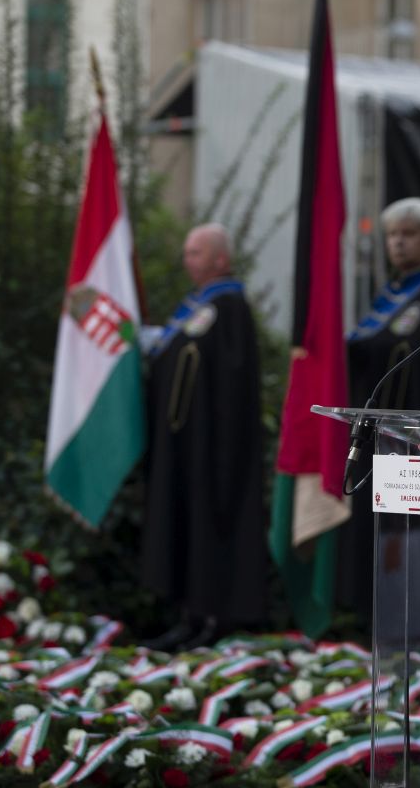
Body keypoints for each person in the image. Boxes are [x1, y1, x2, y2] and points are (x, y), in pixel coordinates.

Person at [335, 197, 420, 644]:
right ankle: (387, 632)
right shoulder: (390, 297)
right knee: (386, 541)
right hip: (384, 444)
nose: (397, 242)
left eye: (409, 233)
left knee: (417, 543)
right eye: (393, 234)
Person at [140, 223, 269, 651]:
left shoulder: (228, 306)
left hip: (214, 447)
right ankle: (190, 615)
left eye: (196, 252)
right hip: (186, 444)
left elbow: (230, 380)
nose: (187, 260)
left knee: (211, 526)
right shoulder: (195, 305)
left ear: (220, 258)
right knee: (185, 525)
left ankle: (215, 617)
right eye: (187, 252)